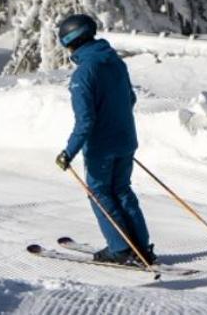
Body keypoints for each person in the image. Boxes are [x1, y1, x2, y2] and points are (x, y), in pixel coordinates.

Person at [54, 13, 156, 266]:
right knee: (121, 190)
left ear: (70, 41)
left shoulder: (84, 74)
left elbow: (85, 121)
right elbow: (130, 99)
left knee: (99, 193)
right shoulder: (115, 62)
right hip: (126, 139)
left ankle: (120, 248)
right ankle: (141, 247)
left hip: (102, 146)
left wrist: (68, 152)